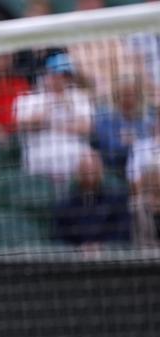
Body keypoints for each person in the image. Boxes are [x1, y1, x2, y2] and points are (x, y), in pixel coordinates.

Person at [14, 52, 94, 195]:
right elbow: (23, 124)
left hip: (75, 167)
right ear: (46, 74)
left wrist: (57, 121)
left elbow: (87, 128)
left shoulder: (79, 98)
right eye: (58, 74)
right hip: (40, 165)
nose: (61, 79)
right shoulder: (29, 98)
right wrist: (50, 105)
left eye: (66, 76)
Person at [53, 151, 131, 251]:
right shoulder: (65, 204)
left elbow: (123, 234)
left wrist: (101, 247)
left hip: (110, 258)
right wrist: (78, 249)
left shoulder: (116, 199)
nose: (89, 173)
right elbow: (59, 237)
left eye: (93, 169)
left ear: (101, 171)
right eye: (85, 169)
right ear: (78, 172)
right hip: (76, 259)